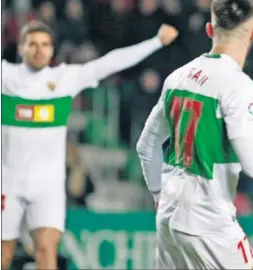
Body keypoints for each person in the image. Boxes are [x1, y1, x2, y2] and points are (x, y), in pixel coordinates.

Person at [136, 0, 253, 270]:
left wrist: (158, 194)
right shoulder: (238, 85)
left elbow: (146, 146)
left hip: (169, 218)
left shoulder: (178, 77)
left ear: (208, 30)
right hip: (209, 222)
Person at [1, 20, 179, 270]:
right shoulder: (6, 77)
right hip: (8, 181)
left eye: (45, 44)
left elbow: (110, 62)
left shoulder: (63, 79)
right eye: (32, 44)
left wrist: (156, 42)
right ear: (21, 48)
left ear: (52, 50)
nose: (39, 50)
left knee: (46, 249)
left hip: (47, 185)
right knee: (4, 253)